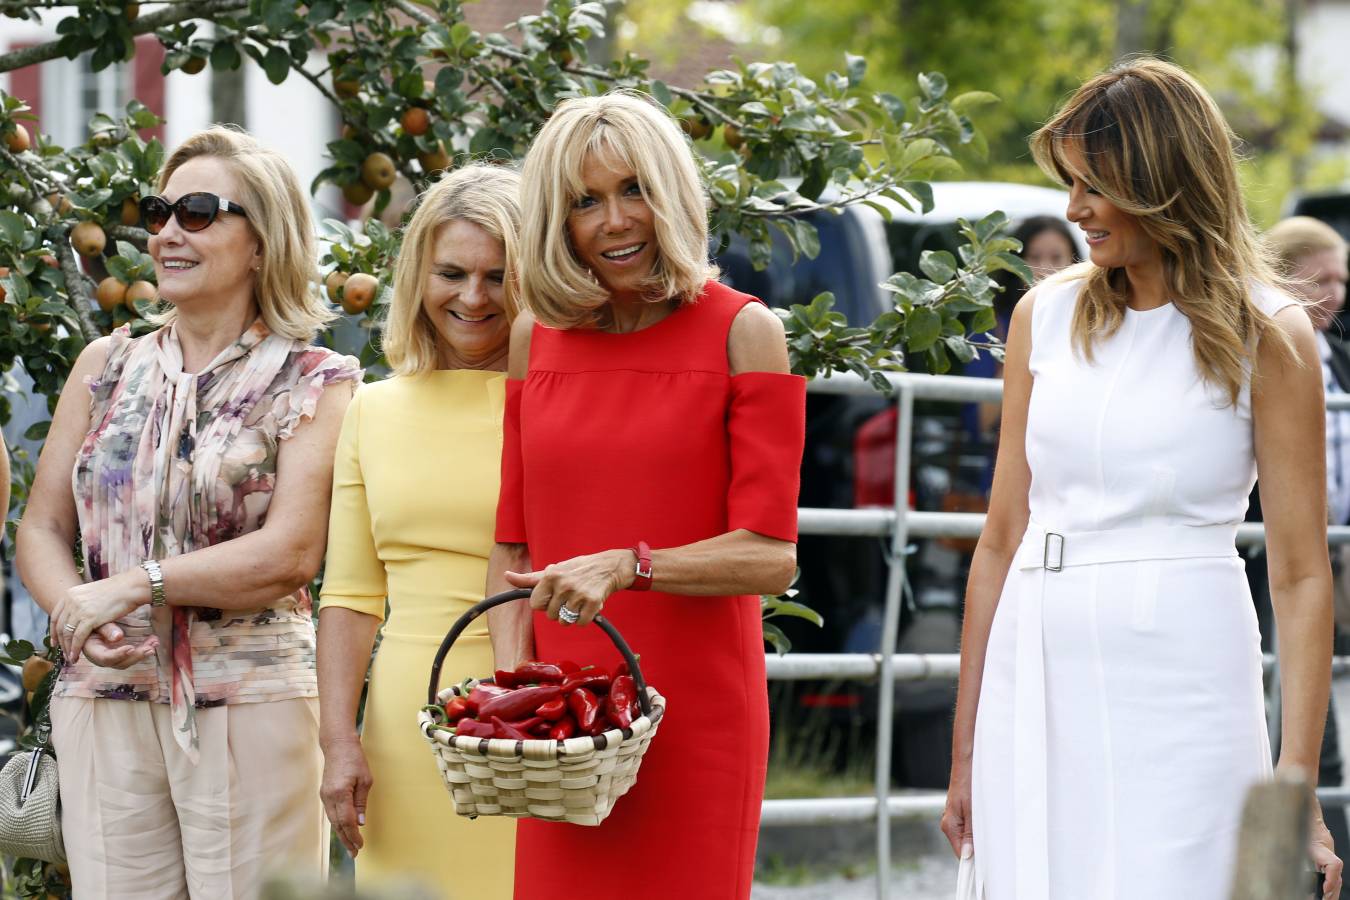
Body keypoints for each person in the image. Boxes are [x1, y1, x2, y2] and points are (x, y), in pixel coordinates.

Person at [939, 59, 1344, 899]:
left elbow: (1302, 575)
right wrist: (966, 751)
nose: (1074, 209)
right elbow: (1000, 539)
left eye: (1094, 186)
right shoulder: (1042, 315)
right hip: (1034, 661)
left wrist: (1295, 785)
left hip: (1184, 672)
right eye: (1070, 185)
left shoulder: (1270, 331)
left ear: (1162, 182)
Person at [15, 125, 361, 899]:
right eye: (160, 208)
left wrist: (132, 585)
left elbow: (292, 555)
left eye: (200, 212)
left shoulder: (316, 379)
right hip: (101, 699)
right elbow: (41, 526)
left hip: (252, 702)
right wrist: (76, 607)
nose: (167, 230)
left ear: (264, 242)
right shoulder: (104, 366)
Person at [484, 90, 804, 899]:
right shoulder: (534, 339)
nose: (614, 220)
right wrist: (512, 696)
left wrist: (628, 566)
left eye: (633, 190)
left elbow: (770, 557)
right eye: (585, 202)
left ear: (671, 194)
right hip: (563, 718)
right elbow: (513, 544)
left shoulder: (744, 331)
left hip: (697, 713)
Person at [317, 163, 520, 898]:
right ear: (417, 277)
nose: (472, 297)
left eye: (499, 276)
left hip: (533, 723)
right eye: (452, 273)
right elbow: (348, 594)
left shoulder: (563, 405)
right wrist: (339, 739)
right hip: (405, 730)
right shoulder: (371, 409)